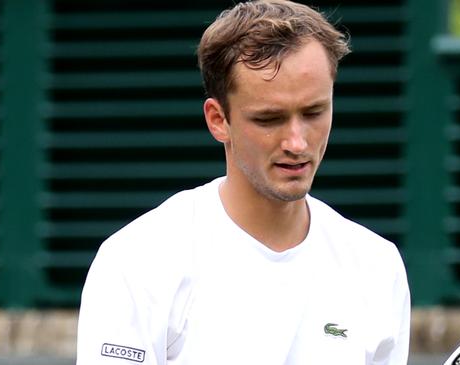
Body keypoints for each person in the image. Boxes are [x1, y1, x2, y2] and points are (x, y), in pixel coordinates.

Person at [76, 1, 411, 364]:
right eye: (269, 119)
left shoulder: (378, 268)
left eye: (314, 112)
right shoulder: (137, 261)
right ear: (218, 120)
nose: (297, 143)